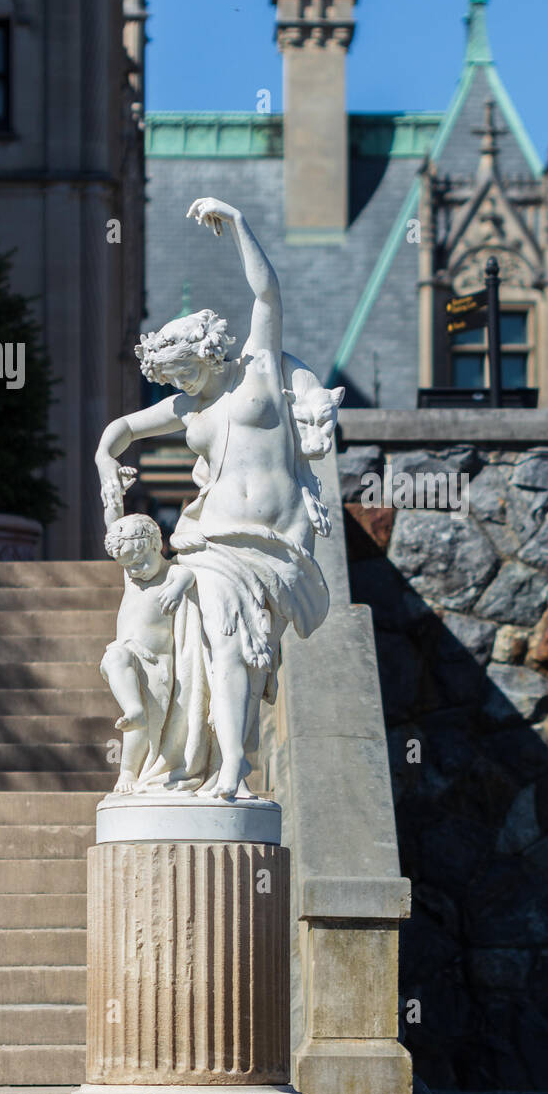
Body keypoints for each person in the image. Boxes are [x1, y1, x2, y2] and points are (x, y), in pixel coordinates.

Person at [95, 198, 334, 798]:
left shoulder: (258, 372)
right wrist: (105, 462)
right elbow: (121, 431)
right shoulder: (187, 406)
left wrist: (239, 227)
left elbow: (266, 296)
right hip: (211, 542)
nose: (179, 388)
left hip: (275, 542)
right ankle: (217, 766)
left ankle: (224, 763)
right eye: (171, 381)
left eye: (184, 374)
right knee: (214, 648)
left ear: (208, 351)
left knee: (245, 658)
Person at [100, 515, 194, 793]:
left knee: (147, 727)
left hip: (158, 663)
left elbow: (187, 575)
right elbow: (114, 519)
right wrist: (113, 487)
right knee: (114, 656)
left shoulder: (171, 573)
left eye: (139, 563)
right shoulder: (132, 576)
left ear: (157, 545)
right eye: (127, 567)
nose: (134, 571)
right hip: (128, 652)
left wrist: (177, 590)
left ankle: (129, 771)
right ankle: (133, 713)